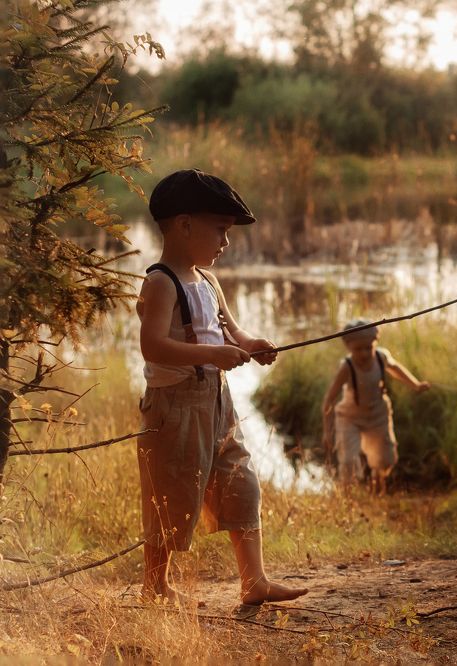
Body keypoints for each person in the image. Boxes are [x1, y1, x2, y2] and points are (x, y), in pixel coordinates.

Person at [136, 169, 307, 608]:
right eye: (220, 231)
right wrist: (211, 356)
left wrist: (252, 345)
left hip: (217, 400)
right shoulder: (161, 282)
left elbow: (229, 331)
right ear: (184, 224)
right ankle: (155, 585)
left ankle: (255, 581)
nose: (225, 243)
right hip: (174, 407)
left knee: (240, 481)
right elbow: (152, 345)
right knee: (172, 493)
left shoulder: (207, 281)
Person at [321, 320, 430, 494]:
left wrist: (416, 385)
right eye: (358, 349)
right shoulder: (347, 367)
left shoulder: (381, 357)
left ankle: (377, 480)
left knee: (385, 459)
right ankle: (348, 499)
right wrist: (327, 431)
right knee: (348, 460)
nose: (364, 353)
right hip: (350, 418)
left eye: (368, 347)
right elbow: (329, 399)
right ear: (348, 347)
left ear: (375, 343)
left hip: (377, 414)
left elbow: (396, 369)